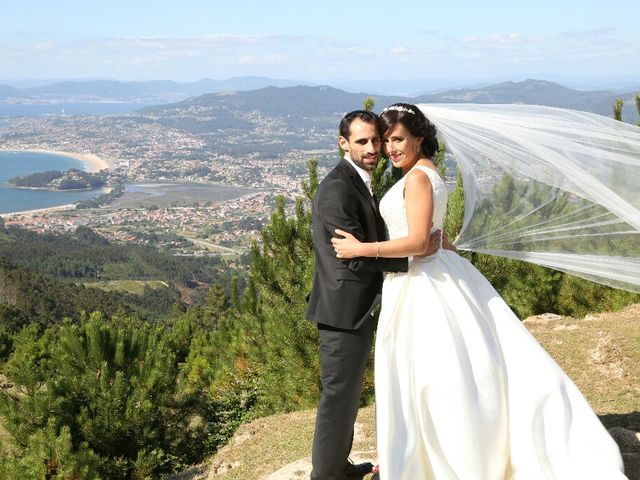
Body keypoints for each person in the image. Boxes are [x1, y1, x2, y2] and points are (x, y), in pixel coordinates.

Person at [331, 103, 627, 479]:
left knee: (433, 376)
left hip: (421, 282)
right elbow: (437, 237)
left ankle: (444, 460)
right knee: (450, 370)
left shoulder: (417, 178)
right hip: (432, 273)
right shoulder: (427, 172)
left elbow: (420, 242)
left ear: (419, 138)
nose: (390, 149)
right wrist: (448, 253)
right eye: (386, 141)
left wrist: (361, 249)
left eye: (397, 139)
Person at [306, 109, 442, 480]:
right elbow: (346, 258)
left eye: (376, 140)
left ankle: (338, 467)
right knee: (338, 399)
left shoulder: (360, 179)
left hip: (359, 307)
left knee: (347, 397)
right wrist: (412, 259)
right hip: (342, 312)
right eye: (362, 141)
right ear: (343, 143)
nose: (372, 148)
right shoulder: (337, 187)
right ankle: (326, 475)